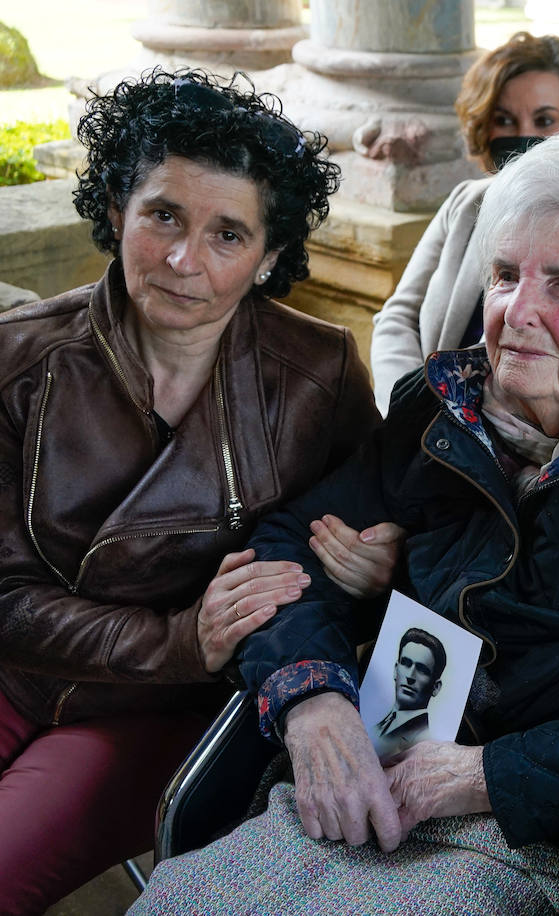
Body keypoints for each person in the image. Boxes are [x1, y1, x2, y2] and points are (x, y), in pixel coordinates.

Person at [131, 132, 559, 916]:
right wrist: (314, 703)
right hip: (374, 774)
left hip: (542, 831)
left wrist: (485, 775)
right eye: (504, 275)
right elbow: (287, 548)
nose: (516, 312)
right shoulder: (444, 407)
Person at [0, 69, 400, 915]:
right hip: (17, 673)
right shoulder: (16, 358)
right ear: (117, 211)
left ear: (268, 258)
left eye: (228, 235)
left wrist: (376, 570)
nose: (186, 262)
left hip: (162, 712)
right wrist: (176, 636)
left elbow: (369, 534)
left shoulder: (319, 374)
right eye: (164, 217)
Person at [369, 32, 559, 413]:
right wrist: (404, 410)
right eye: (504, 120)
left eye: (544, 120)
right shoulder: (466, 204)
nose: (523, 136)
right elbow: (397, 317)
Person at [374, 628, 445, 756]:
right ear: (396, 670)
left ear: (436, 687)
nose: (410, 676)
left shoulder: (420, 745)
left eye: (422, 670)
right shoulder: (379, 725)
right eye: (406, 663)